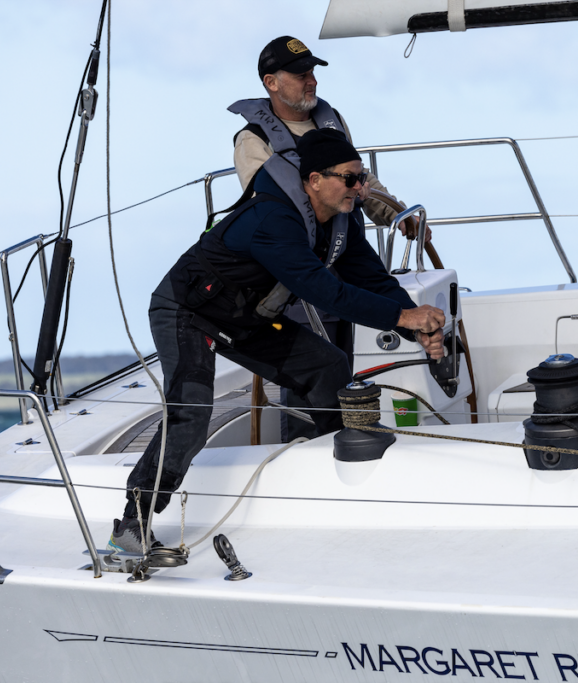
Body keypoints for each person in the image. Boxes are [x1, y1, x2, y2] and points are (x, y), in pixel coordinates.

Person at [107, 128, 445, 553]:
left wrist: (414, 328)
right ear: (314, 180)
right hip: (189, 313)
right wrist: (402, 315)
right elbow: (323, 290)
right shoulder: (273, 219)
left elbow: (373, 280)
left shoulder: (341, 218)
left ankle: (336, 480)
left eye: (361, 178)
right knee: (191, 411)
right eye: (349, 178)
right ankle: (133, 520)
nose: (360, 189)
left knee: (328, 366)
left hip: (246, 317)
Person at [228, 36, 427, 442]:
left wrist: (391, 213)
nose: (311, 82)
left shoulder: (330, 119)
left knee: (340, 359)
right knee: (306, 367)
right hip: (296, 268)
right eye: (301, 75)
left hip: (343, 251)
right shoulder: (253, 140)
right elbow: (269, 209)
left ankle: (342, 440)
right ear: (272, 82)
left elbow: (358, 177)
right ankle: (306, 446)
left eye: (313, 73)